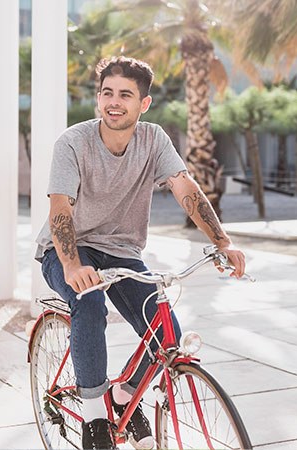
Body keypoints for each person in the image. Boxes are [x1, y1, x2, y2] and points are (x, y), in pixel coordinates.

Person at [34, 56, 247, 450]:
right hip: (67, 250)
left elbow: (186, 190)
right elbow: (60, 207)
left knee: (168, 337)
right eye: (107, 93)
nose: (114, 102)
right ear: (98, 98)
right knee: (90, 301)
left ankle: (123, 396)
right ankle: (96, 418)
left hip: (122, 250)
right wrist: (71, 265)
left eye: (125, 95)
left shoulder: (154, 140)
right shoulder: (73, 142)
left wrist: (222, 242)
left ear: (143, 104)